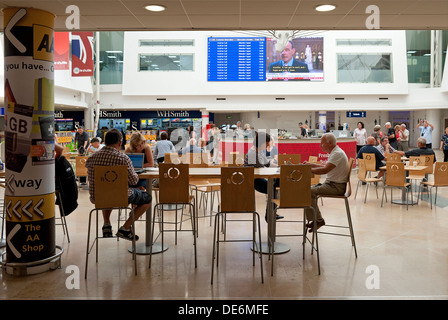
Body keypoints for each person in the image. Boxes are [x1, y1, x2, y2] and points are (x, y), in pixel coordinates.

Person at [85, 128, 151, 240]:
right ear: (120, 143)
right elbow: (134, 181)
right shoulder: (123, 158)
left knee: (107, 191)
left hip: (97, 197)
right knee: (147, 199)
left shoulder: (91, 158)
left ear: (104, 142)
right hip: (121, 196)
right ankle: (125, 228)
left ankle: (106, 225)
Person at [303, 133, 349, 232]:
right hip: (332, 184)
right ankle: (316, 219)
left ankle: (318, 220)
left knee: (306, 192)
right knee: (306, 190)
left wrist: (308, 170)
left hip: (336, 187)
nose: (320, 146)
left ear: (330, 143)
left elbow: (324, 170)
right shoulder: (335, 152)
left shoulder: (337, 153)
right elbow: (325, 167)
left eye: (322, 143)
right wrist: (311, 165)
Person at [243, 131, 282, 221]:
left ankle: (271, 213)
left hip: (257, 178)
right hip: (252, 181)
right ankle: (270, 214)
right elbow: (262, 168)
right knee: (273, 188)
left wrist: (279, 166)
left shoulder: (258, 151)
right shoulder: (253, 154)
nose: (268, 145)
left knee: (275, 184)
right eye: (267, 143)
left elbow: (267, 164)